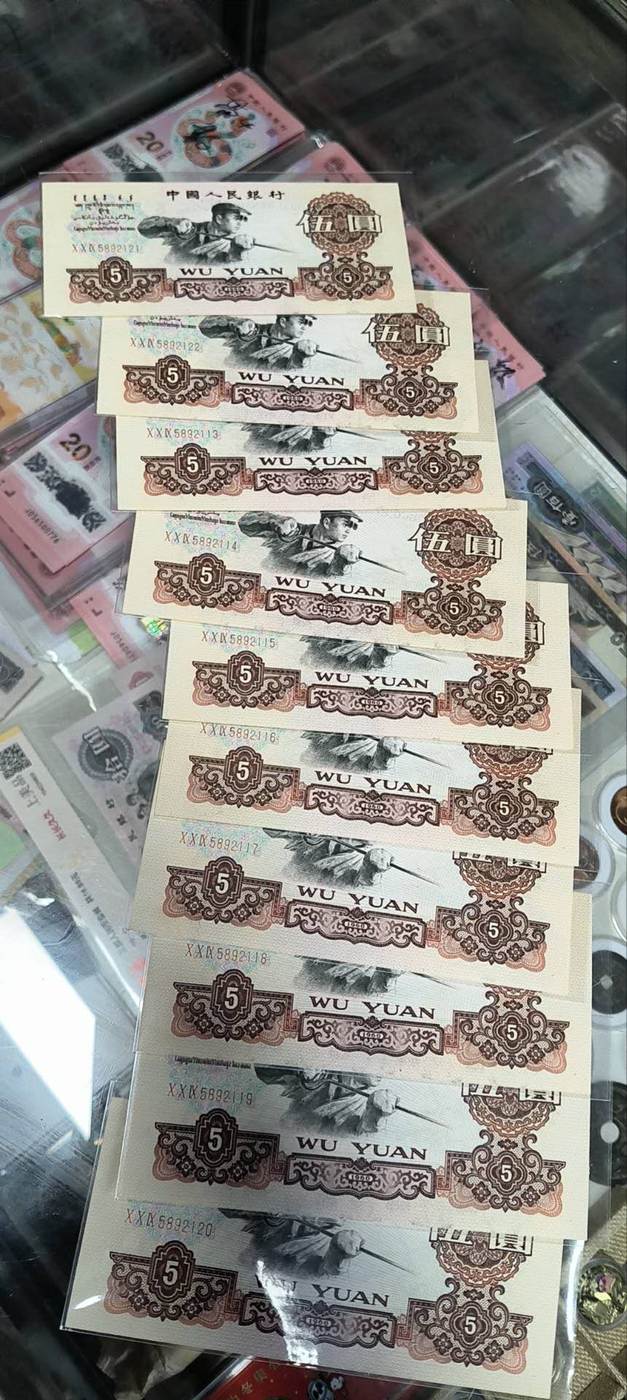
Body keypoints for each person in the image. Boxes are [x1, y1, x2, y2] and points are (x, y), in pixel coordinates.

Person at [237, 507, 361, 576]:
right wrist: (272, 521)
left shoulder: (339, 557)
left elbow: (332, 575)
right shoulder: (291, 530)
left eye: (353, 526)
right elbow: (244, 523)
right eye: (346, 524)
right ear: (327, 522)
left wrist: (342, 561)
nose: (349, 530)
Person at [137, 200, 253, 262]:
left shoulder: (235, 244)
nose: (240, 223)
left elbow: (225, 264)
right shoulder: (188, 230)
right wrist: (171, 223)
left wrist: (238, 250)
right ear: (219, 219)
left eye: (243, 219)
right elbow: (143, 228)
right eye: (236, 218)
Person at [200, 311, 318, 368]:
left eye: (309, 323)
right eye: (302, 322)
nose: (305, 327)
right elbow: (204, 326)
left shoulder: (296, 352)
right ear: (283, 322)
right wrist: (234, 323)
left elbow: (289, 373)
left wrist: (301, 357)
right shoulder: (250, 330)